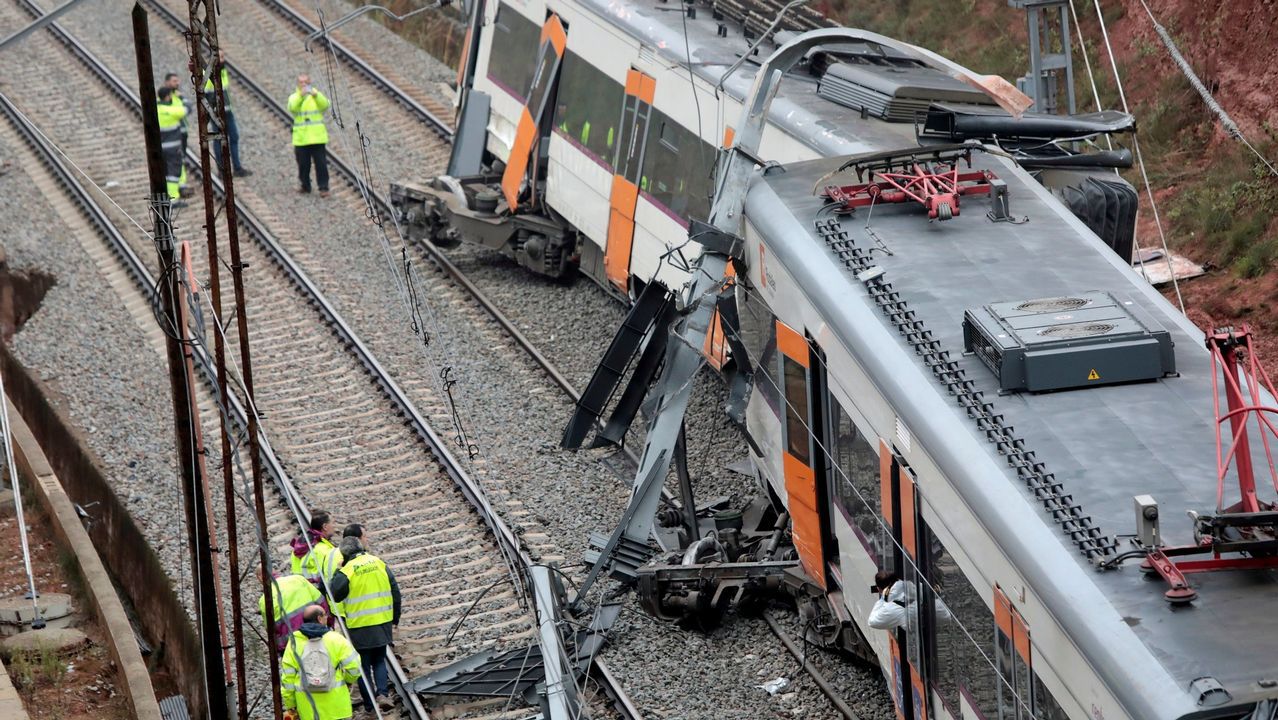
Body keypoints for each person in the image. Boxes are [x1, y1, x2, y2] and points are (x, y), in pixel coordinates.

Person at [331, 525, 401, 714]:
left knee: (362, 665)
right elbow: (395, 590)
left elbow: (335, 593)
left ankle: (370, 705)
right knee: (379, 660)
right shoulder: (378, 562)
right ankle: (383, 694)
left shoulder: (347, 570)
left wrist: (338, 571)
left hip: (360, 626)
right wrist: (395, 617)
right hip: (382, 621)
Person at [280, 604, 361, 720]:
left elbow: (287, 678)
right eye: (325, 615)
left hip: (308, 710)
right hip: (337, 709)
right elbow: (355, 667)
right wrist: (348, 681)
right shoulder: (336, 639)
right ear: (319, 618)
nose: (327, 617)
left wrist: (291, 704)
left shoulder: (294, 643)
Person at [202, 49, 252, 177]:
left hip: (228, 111)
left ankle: (237, 167)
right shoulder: (209, 73)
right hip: (217, 113)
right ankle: (222, 169)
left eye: (223, 57)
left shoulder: (222, 71)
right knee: (219, 140)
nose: (222, 60)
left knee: (234, 137)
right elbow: (207, 94)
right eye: (220, 57)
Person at [258, 565, 326, 653]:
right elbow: (321, 602)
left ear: (260, 577)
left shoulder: (264, 599)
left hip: (292, 645)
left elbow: (271, 630)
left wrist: (280, 649)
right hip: (317, 634)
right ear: (274, 571)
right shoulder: (298, 579)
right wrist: (329, 626)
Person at [288, 74, 330, 196]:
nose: (304, 85)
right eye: (301, 82)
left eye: (306, 82)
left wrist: (316, 95)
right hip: (302, 138)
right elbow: (292, 108)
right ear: (298, 84)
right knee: (303, 165)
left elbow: (325, 105)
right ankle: (305, 185)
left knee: (321, 164)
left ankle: (323, 187)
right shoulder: (294, 97)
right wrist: (301, 96)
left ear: (310, 83)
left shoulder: (316, 95)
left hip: (317, 137)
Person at [291, 510, 343, 591]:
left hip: (302, 591)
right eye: (333, 522)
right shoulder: (324, 550)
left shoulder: (300, 546)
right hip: (319, 594)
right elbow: (332, 579)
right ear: (325, 527)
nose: (334, 526)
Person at [156, 86, 187, 208]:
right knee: (174, 173)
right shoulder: (171, 111)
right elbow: (187, 109)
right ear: (168, 96)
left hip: (160, 148)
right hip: (173, 147)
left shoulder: (156, 109)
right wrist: (180, 97)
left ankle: (165, 196)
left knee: (166, 172)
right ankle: (173, 199)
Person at [162, 73, 192, 197]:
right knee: (177, 160)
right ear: (167, 82)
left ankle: (181, 184)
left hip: (181, 133)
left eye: (177, 81)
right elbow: (186, 109)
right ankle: (178, 187)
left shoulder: (176, 96)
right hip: (173, 136)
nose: (177, 83)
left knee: (182, 159)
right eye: (174, 81)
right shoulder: (166, 97)